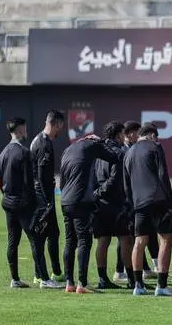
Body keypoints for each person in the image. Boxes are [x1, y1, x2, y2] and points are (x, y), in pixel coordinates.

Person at [0, 118, 58, 289]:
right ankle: (44, 279)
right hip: (23, 204)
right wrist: (36, 205)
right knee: (36, 240)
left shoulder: (2, 154)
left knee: (12, 241)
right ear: (21, 129)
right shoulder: (24, 153)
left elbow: (0, 182)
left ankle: (15, 279)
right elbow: (29, 183)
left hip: (8, 203)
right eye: (24, 128)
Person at [124, 123, 172, 297]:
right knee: (166, 240)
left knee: (140, 242)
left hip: (138, 203)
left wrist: (132, 205)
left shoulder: (129, 152)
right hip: (158, 201)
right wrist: (170, 203)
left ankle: (138, 285)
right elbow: (163, 175)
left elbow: (126, 184)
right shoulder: (155, 147)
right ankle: (161, 285)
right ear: (152, 136)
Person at [60, 133, 119, 294]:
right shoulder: (92, 145)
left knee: (70, 242)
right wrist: (102, 142)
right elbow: (114, 156)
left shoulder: (69, 149)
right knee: (84, 241)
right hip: (81, 201)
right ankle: (82, 283)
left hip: (65, 200)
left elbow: (63, 179)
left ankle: (69, 283)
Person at [93, 121, 134, 290]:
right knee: (126, 239)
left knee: (103, 240)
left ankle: (103, 278)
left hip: (99, 203)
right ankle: (132, 279)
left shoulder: (97, 150)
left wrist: (95, 193)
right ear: (118, 135)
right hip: (115, 202)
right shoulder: (119, 152)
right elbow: (115, 180)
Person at [30, 109, 65, 284]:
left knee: (51, 233)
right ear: (56, 124)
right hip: (42, 198)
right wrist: (47, 202)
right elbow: (42, 176)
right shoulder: (44, 145)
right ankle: (48, 274)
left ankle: (47, 272)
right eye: (61, 127)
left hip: (40, 195)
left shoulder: (38, 139)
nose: (61, 131)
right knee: (44, 235)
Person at [113, 120, 141, 283]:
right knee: (124, 237)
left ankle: (127, 269)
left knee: (128, 236)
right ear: (130, 134)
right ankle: (120, 270)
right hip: (125, 199)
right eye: (137, 132)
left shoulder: (128, 148)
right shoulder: (124, 150)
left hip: (129, 198)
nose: (138, 135)